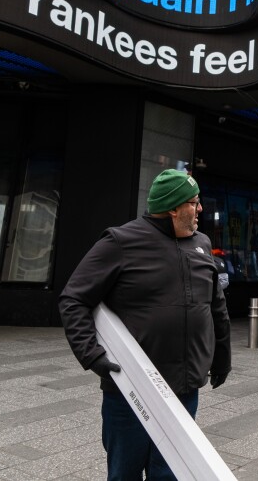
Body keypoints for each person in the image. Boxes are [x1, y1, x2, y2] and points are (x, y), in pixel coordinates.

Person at [59, 169, 231, 481]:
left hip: (184, 389)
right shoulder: (120, 242)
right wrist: (92, 355)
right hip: (131, 391)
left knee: (170, 474)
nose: (201, 209)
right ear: (173, 209)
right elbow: (73, 299)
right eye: (195, 203)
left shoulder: (202, 243)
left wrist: (222, 358)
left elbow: (215, 305)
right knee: (124, 473)